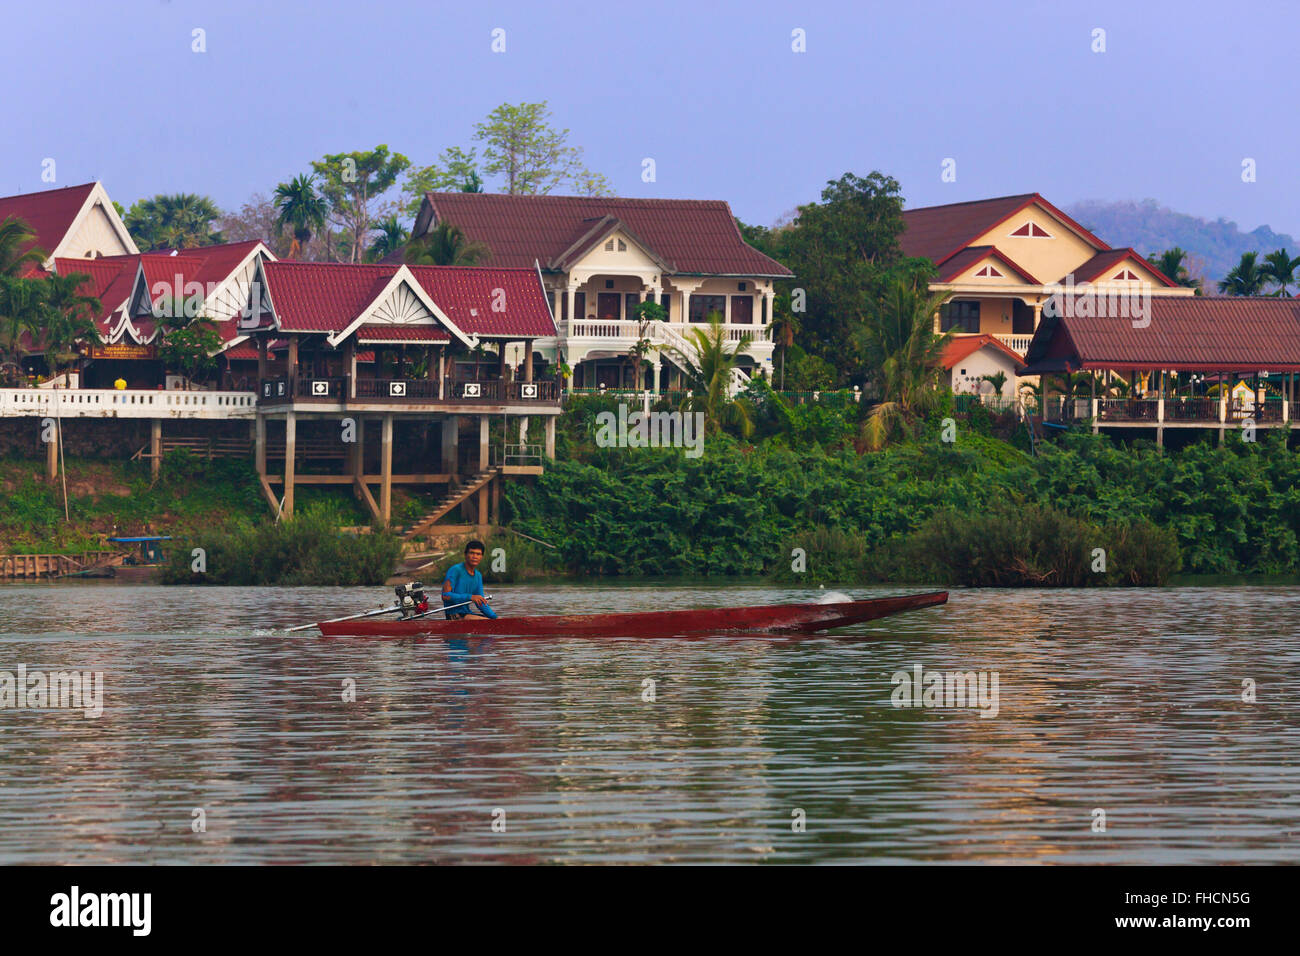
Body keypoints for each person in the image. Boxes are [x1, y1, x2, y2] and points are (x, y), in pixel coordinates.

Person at [442, 540, 497, 620]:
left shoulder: (478, 575)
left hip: (467, 614)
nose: (475, 556)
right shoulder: (455, 570)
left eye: (478, 554)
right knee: (488, 622)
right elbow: (445, 596)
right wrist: (470, 597)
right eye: (472, 553)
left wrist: (495, 618)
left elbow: (481, 603)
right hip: (454, 615)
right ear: (465, 554)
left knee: (493, 621)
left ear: (481, 557)